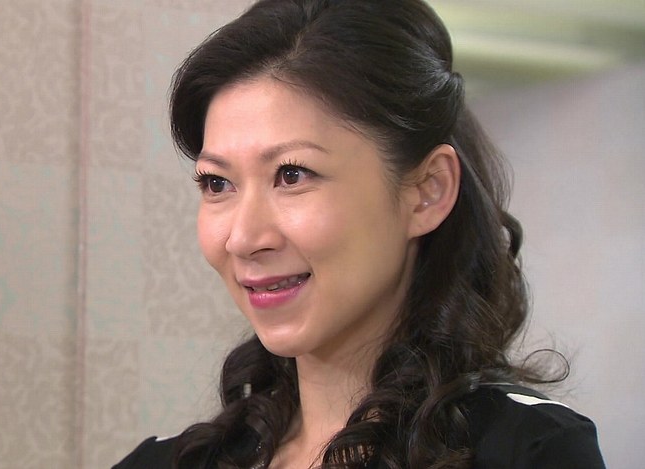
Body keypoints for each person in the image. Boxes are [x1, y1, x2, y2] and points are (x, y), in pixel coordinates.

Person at [114, 0, 605, 467]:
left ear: (427, 191)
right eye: (217, 183)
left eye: (292, 175)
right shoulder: (163, 463)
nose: (243, 238)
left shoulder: (527, 452)